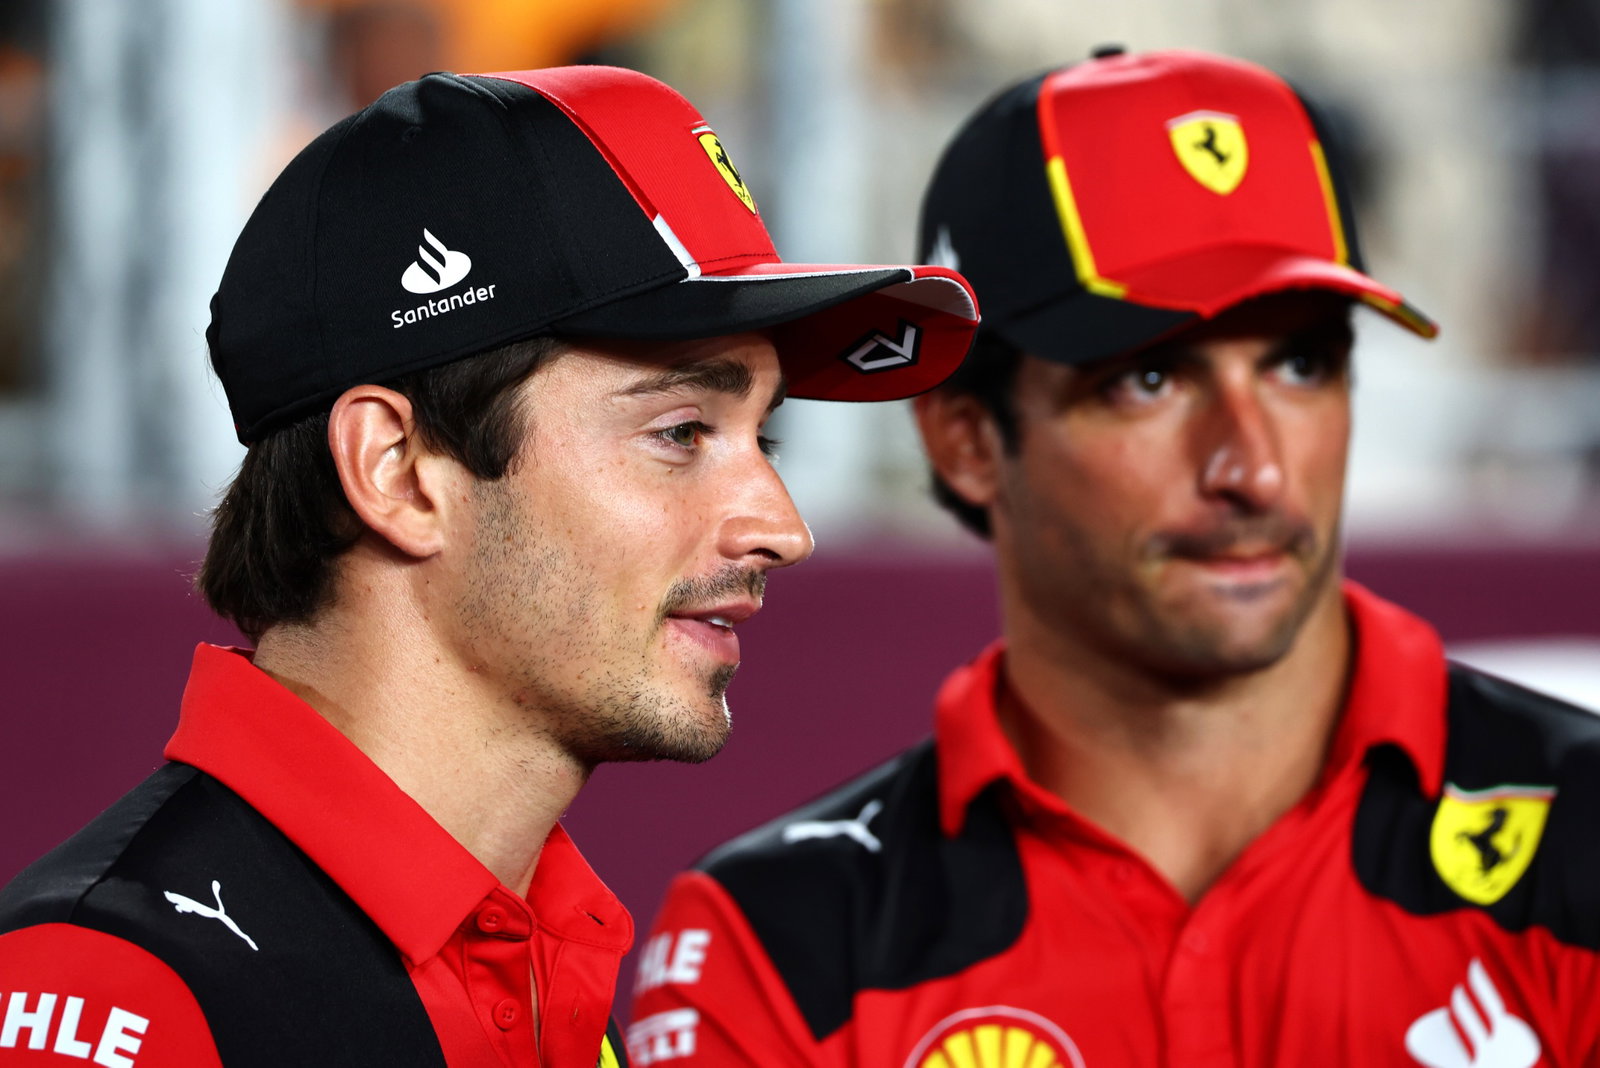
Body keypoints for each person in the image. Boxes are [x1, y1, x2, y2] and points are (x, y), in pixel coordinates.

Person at [630, 47, 1600, 1067]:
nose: (1251, 466)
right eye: (1149, 380)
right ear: (964, 439)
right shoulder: (778, 947)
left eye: (1300, 365)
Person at [0, 66, 977, 1067]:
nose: (780, 526)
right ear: (398, 473)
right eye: (682, 432)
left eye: (760, 439)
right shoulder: (118, 993)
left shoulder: (543, 959)